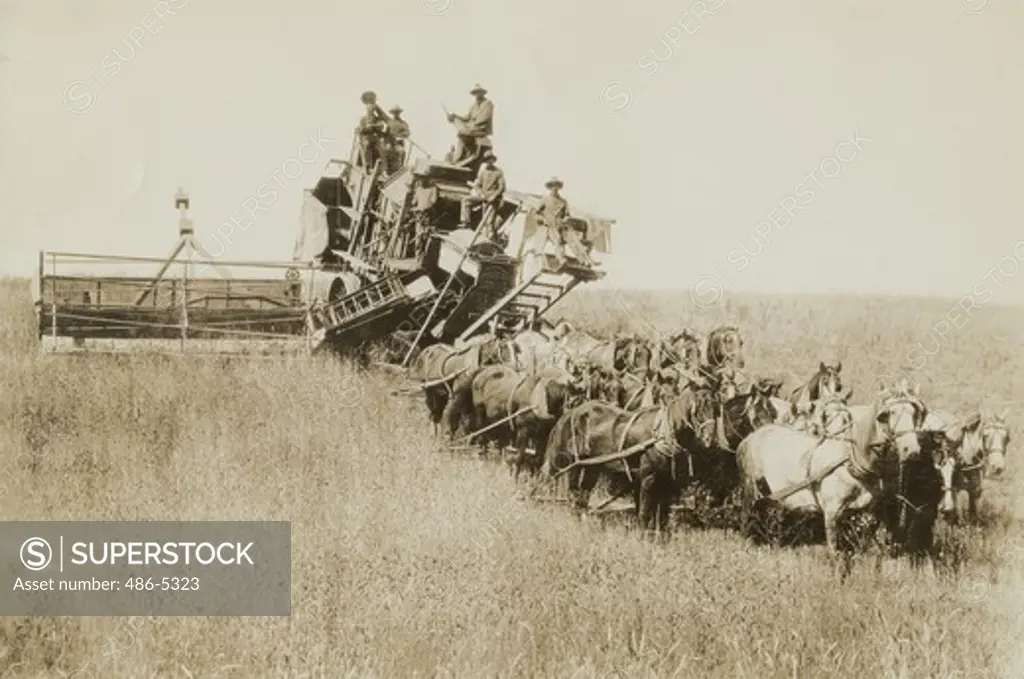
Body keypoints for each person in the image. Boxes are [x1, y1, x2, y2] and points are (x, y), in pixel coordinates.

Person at [535, 177, 595, 268]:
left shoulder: (563, 201)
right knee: (558, 240)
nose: (554, 188)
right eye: (552, 186)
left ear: (559, 187)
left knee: (573, 239)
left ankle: (584, 260)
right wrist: (543, 220)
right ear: (550, 187)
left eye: (556, 186)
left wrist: (566, 219)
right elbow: (535, 214)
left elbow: (567, 214)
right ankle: (561, 259)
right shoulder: (545, 199)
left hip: (561, 225)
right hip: (549, 225)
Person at [459, 151, 505, 240]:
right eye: (487, 160)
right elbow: (478, 185)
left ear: (493, 160)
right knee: (466, 200)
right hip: (483, 196)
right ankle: (466, 222)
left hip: (493, 199)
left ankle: (488, 238)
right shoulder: (483, 172)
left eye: (490, 160)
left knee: (488, 222)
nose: (489, 162)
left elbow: (502, 188)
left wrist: (494, 196)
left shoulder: (498, 172)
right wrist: (480, 193)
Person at [447, 84, 494, 166]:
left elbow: (484, 119)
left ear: (483, 93)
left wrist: (470, 125)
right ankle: (457, 159)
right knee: (461, 135)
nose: (477, 95)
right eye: (475, 93)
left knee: (463, 132)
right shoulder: (474, 105)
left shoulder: (488, 104)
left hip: (481, 129)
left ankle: (457, 159)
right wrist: (456, 116)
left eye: (479, 92)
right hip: (472, 128)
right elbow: (467, 117)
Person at [356, 91, 388, 170]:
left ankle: (384, 169)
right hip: (366, 138)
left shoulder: (377, 119)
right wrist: (364, 128)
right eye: (369, 108)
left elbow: (381, 126)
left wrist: (373, 126)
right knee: (367, 145)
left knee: (382, 148)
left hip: (375, 138)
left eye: (372, 108)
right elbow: (361, 130)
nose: (370, 109)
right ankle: (368, 165)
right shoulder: (363, 119)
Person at [410, 173, 440, 256]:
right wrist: (414, 208)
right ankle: (418, 255)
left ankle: (426, 256)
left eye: (423, 179)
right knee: (418, 236)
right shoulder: (418, 189)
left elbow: (433, 202)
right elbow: (414, 202)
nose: (421, 181)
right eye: (420, 179)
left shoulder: (433, 189)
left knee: (427, 235)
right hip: (419, 216)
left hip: (429, 216)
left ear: (427, 179)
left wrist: (424, 208)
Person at [384, 105, 410, 174]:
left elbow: (407, 133)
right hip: (390, 142)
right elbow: (386, 134)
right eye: (394, 112)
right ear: (392, 113)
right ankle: (385, 169)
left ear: (399, 113)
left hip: (398, 143)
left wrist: (401, 136)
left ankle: (400, 168)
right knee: (386, 150)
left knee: (402, 151)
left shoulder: (403, 123)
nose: (396, 114)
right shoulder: (389, 122)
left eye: (397, 112)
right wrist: (387, 141)